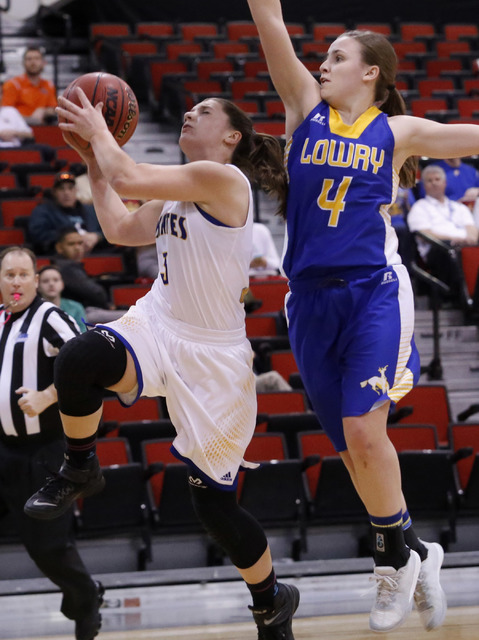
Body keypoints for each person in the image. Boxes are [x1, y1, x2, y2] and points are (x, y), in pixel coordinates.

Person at [24, 92, 300, 639]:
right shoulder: (178, 193)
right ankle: (79, 465)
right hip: (158, 324)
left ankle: (271, 600)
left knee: (215, 509)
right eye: (188, 107)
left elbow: (127, 178)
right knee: (79, 357)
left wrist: (100, 136)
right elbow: (120, 229)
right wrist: (90, 164)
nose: (190, 113)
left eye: (205, 111)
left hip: (214, 357)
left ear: (231, 138)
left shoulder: (224, 182)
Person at [245, 1, 472, 633]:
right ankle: (416, 550)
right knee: (351, 450)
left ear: (371, 73)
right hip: (308, 301)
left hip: (374, 290)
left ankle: (388, 562)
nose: (323, 63)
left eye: (338, 57)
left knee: (366, 432)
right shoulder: (303, 113)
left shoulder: (396, 134)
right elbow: (270, 27)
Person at [0, 246, 103, 640]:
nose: (16, 282)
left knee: (47, 547)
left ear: (35, 279)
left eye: (23, 275)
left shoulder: (50, 318)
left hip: (42, 452)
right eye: (9, 274)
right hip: (3, 449)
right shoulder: (0, 320)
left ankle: (86, 598)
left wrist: (46, 395)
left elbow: (90, 364)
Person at [407, 164, 478, 299]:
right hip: (438, 250)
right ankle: (461, 300)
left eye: (437, 179)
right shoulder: (419, 207)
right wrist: (452, 240)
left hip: (464, 246)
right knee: (450, 252)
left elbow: (472, 230)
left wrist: (467, 239)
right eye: (429, 180)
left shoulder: (459, 207)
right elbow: (424, 234)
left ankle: (473, 300)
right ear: (423, 185)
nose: (434, 183)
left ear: (444, 183)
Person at [53, 227, 125, 324]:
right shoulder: (66, 268)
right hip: (81, 313)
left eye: (80, 243)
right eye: (71, 244)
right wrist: (107, 305)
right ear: (59, 248)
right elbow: (96, 293)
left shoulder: (70, 266)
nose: (77, 247)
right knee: (129, 316)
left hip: (86, 310)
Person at [28, 171, 107, 255]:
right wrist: (69, 237)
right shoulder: (43, 211)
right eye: (61, 189)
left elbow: (108, 231)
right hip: (59, 256)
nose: (66, 193)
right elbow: (38, 235)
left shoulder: (91, 210)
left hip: (94, 254)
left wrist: (97, 237)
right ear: (54, 192)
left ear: (76, 190)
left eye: (70, 188)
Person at [1, 46, 57, 126]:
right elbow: (6, 113)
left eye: (37, 58)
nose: (33, 62)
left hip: (43, 128)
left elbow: (53, 108)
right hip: (18, 128)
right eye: (29, 59)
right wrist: (31, 119)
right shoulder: (12, 84)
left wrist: (43, 111)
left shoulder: (48, 85)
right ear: (23, 63)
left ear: (43, 62)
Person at [38, 264, 87, 332]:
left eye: (56, 280)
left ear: (62, 284)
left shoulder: (76, 307)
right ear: (38, 286)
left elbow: (83, 332)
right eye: (45, 281)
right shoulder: (33, 309)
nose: (51, 284)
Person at [415, 157, 479, 203]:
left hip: (471, 209)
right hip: (442, 211)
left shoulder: (471, 171)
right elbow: (424, 195)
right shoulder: (433, 171)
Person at [0, 81, 35, 148]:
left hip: (16, 148)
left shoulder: (11, 111)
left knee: (46, 150)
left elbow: (30, 134)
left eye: (0, 93)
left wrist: (14, 133)